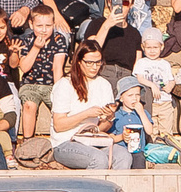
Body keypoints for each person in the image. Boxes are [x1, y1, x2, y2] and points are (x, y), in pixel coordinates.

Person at [50, 40, 126, 170]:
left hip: (93, 140)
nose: (94, 67)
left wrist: (108, 117)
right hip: (66, 142)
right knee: (98, 159)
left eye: (98, 62)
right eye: (89, 63)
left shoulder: (104, 84)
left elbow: (104, 127)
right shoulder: (65, 84)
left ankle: (115, 189)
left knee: (123, 156)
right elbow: (59, 125)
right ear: (79, 62)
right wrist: (86, 114)